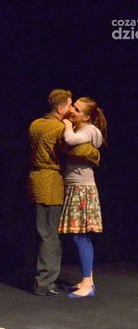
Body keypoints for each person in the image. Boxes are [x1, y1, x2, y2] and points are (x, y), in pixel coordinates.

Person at [58, 97, 107, 298]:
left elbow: (70, 140)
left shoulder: (90, 130)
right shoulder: (83, 129)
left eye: (77, 110)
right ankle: (88, 280)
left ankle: (87, 284)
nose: (73, 111)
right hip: (75, 186)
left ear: (86, 117)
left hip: (82, 188)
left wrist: (66, 124)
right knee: (79, 235)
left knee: (81, 236)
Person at [27, 89, 73, 296]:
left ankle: (44, 279)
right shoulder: (59, 127)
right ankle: (45, 282)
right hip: (49, 183)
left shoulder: (35, 124)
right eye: (70, 105)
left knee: (44, 232)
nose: (71, 109)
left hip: (36, 179)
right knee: (49, 234)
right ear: (61, 109)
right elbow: (76, 150)